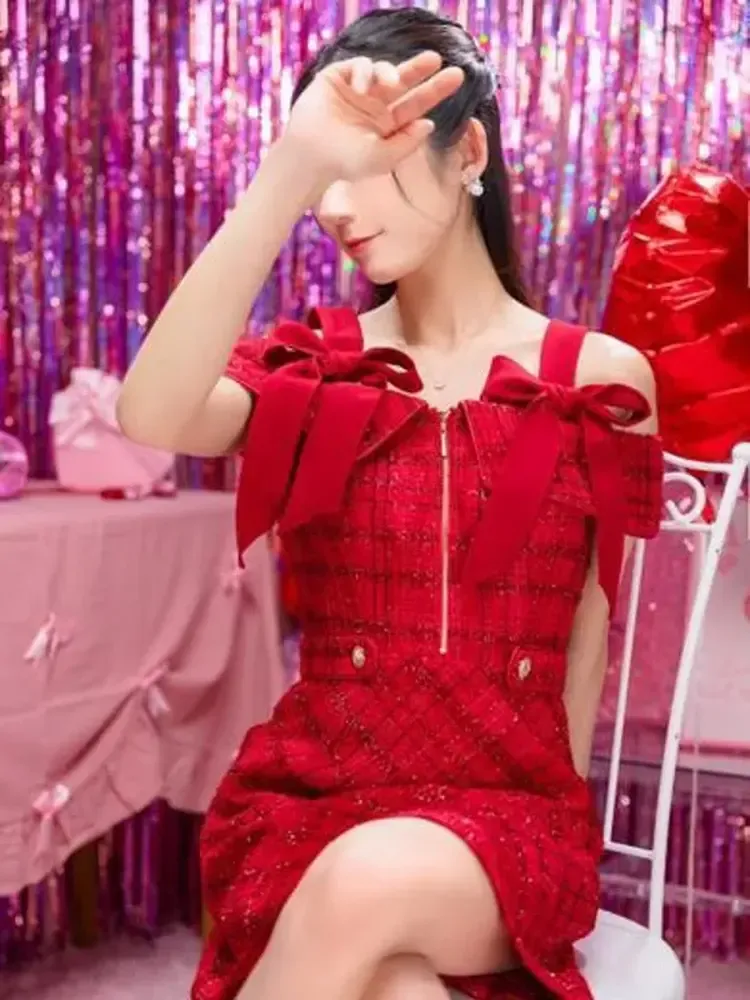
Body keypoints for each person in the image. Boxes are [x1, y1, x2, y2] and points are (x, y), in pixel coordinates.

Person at [118, 9, 663, 1000]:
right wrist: (286, 171)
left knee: (363, 886)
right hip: (312, 800)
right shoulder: (314, 370)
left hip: (509, 819)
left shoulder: (599, 378)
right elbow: (151, 412)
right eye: (321, 175)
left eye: (364, 161)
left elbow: (590, 634)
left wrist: (565, 831)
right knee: (396, 985)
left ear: (471, 154)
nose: (334, 205)